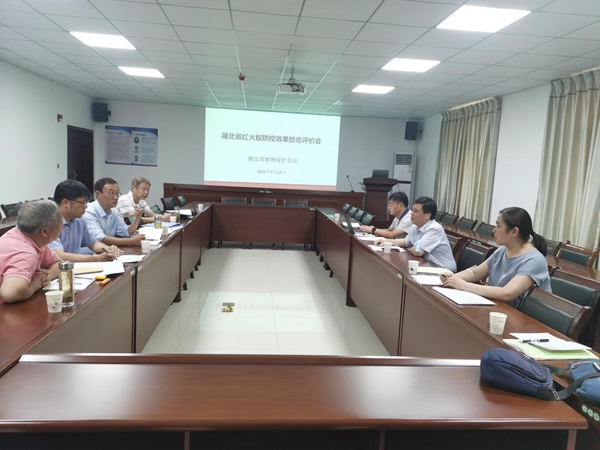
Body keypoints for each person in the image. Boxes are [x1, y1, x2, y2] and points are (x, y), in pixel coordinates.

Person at [441, 207, 551, 307]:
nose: (494, 230)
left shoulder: (534, 260)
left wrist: (464, 285)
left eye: (498, 226)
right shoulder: (503, 250)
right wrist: (452, 278)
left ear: (514, 232)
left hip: (523, 318)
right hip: (498, 307)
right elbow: (475, 273)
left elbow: (507, 293)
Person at [0, 200, 62, 304]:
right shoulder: (26, 253)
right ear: (45, 231)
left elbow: (58, 263)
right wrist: (36, 284)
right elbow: (10, 293)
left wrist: (47, 276)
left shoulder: (27, 237)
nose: (62, 227)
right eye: (60, 223)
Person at [375, 196, 456, 272]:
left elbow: (417, 251)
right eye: (412, 210)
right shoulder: (415, 226)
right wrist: (385, 241)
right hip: (427, 264)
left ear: (427, 215)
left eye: (416, 211)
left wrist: (413, 248)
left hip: (442, 270)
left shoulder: (434, 229)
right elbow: (405, 242)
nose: (412, 213)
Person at [49, 180, 122, 262]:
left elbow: (93, 243)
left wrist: (108, 249)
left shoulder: (79, 221)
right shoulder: (50, 223)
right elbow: (59, 255)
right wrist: (96, 258)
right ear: (66, 203)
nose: (86, 207)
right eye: (83, 203)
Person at [83, 177, 145, 247]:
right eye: (111, 193)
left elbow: (125, 232)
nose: (115, 197)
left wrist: (136, 220)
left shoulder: (114, 211)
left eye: (117, 193)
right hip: (89, 252)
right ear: (98, 194)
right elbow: (100, 238)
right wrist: (131, 241)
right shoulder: (88, 212)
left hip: (109, 250)